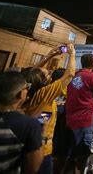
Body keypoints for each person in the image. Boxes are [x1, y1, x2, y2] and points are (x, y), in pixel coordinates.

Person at [22, 44, 76, 174]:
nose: (50, 72)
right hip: (41, 149)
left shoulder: (26, 91)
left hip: (24, 145)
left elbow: (31, 74)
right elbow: (69, 75)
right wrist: (72, 54)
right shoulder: (44, 94)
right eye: (47, 75)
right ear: (41, 81)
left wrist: (49, 56)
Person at [0, 72, 44, 173]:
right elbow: (32, 168)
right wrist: (43, 134)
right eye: (27, 87)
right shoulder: (28, 125)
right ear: (20, 94)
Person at [65, 54, 93, 173]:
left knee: (70, 153)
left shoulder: (76, 76)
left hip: (70, 118)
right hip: (84, 119)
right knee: (82, 154)